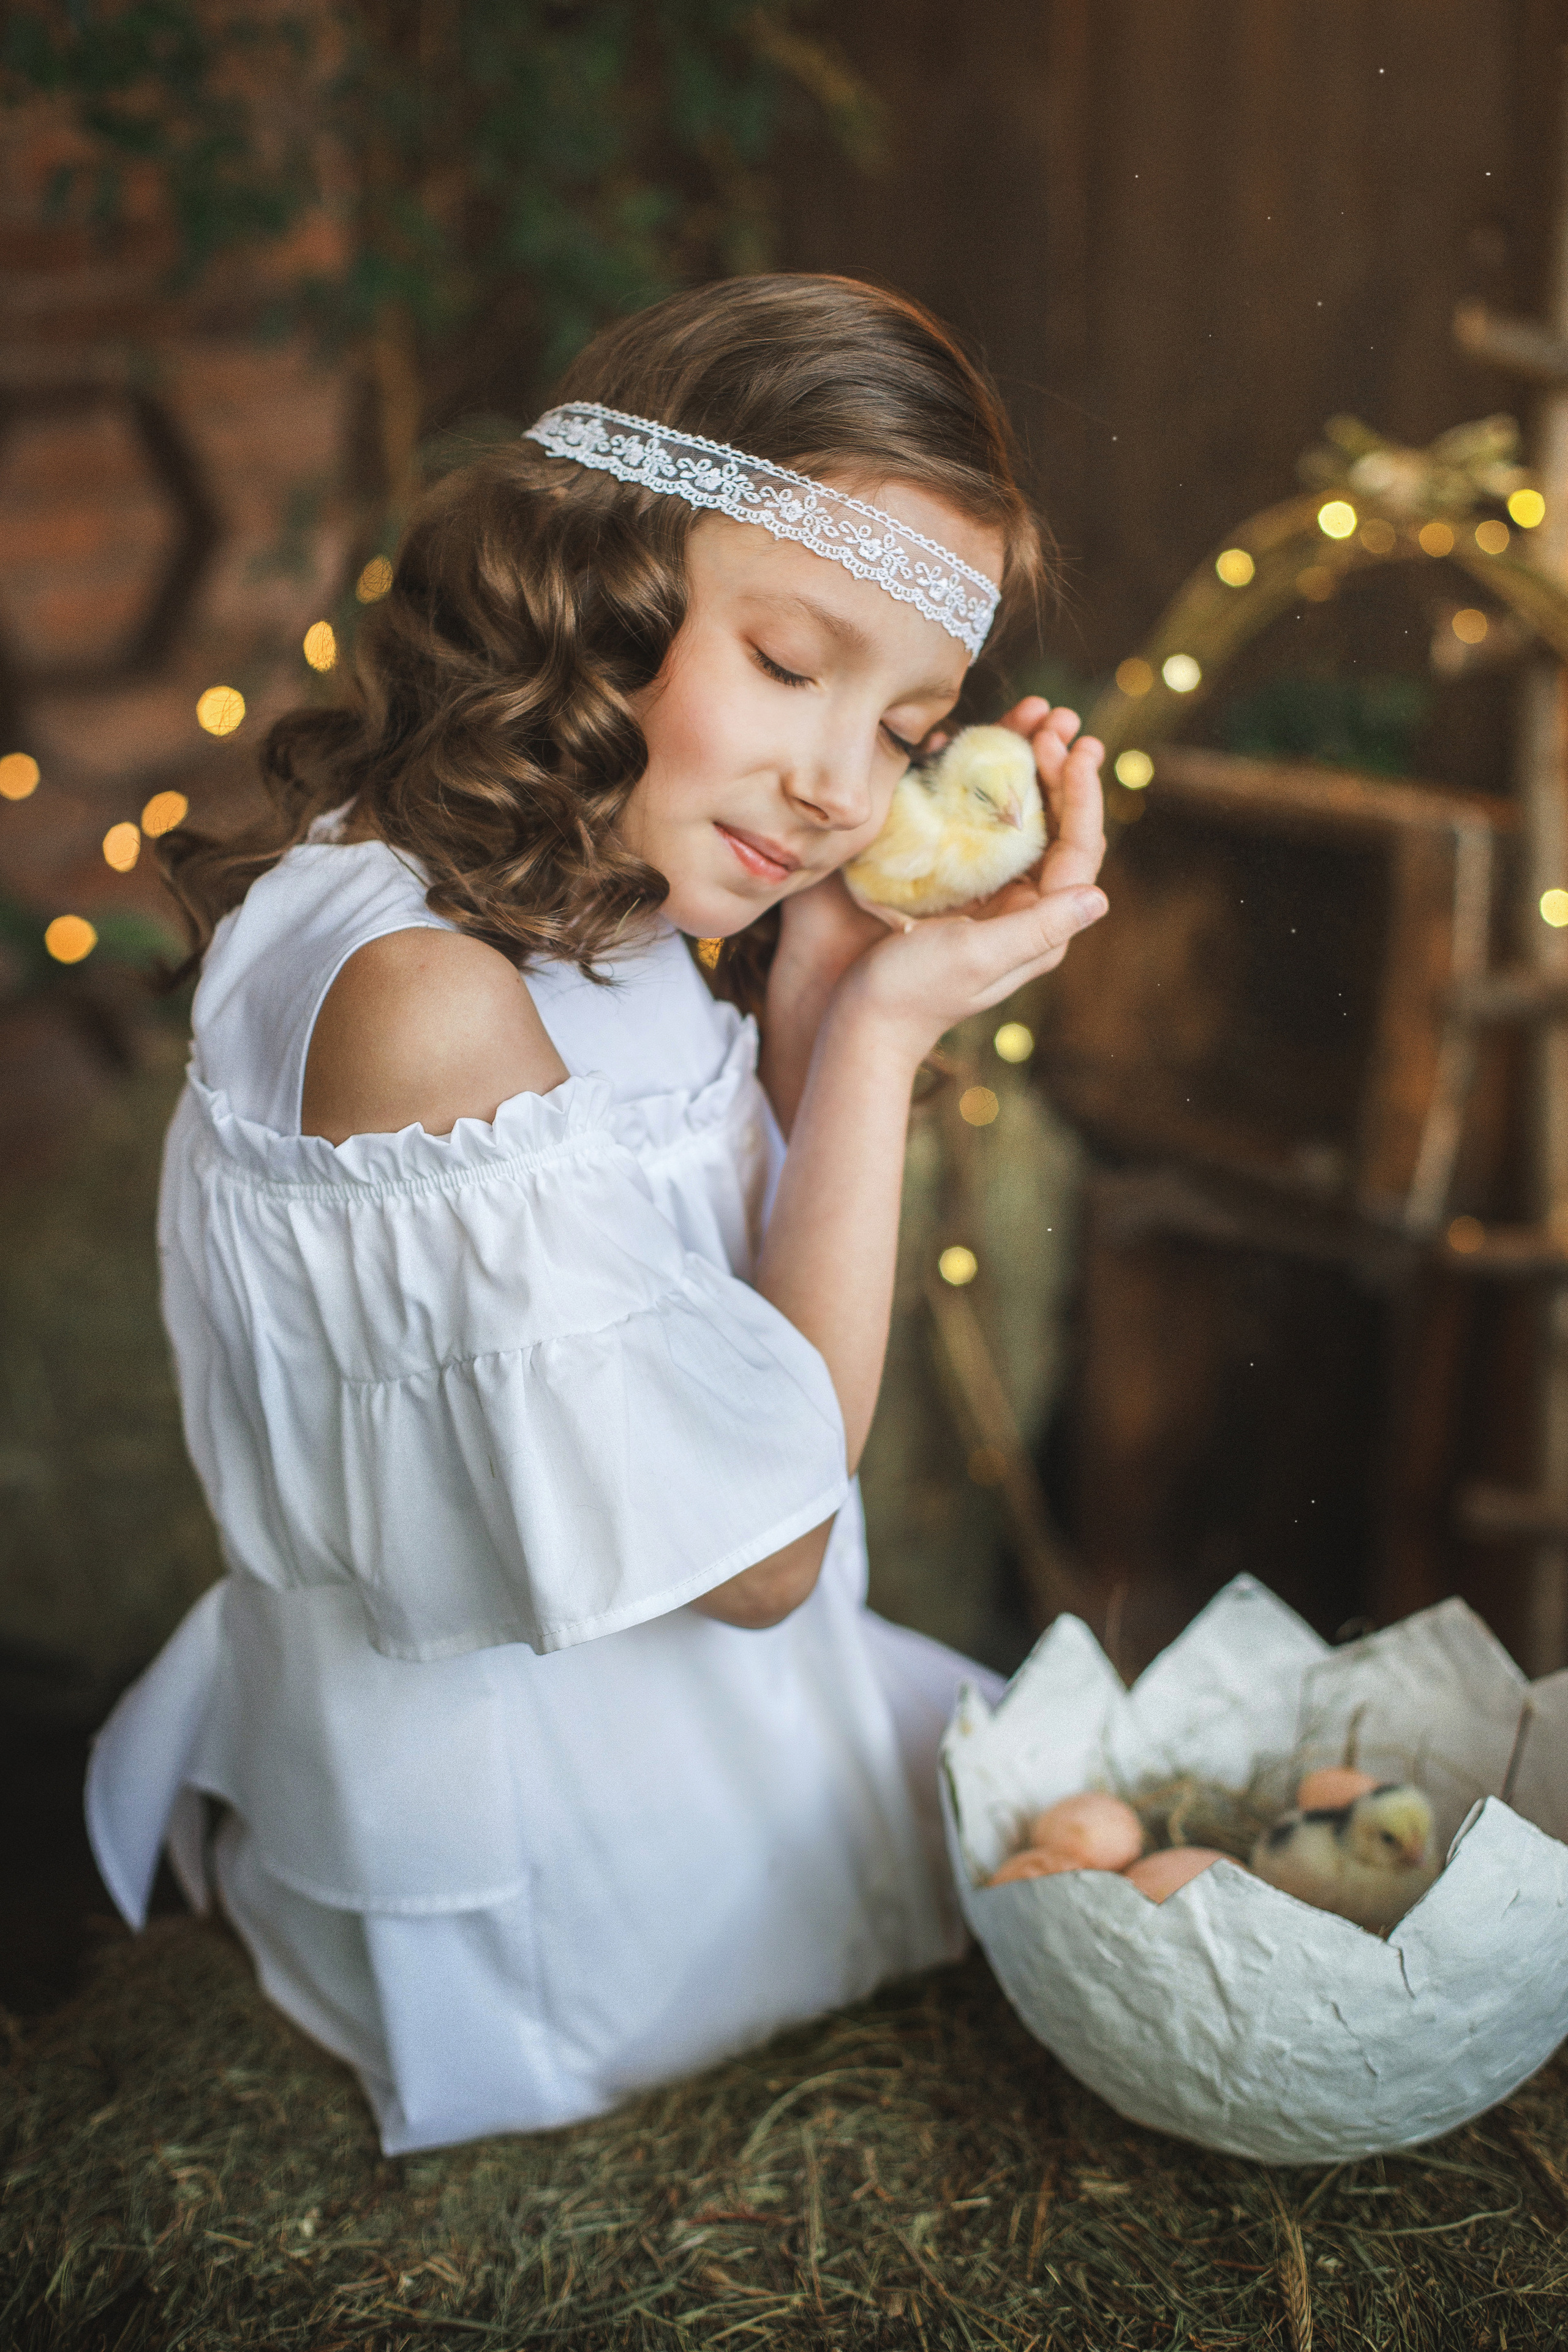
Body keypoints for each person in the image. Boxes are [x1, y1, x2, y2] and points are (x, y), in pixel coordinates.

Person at [86, 274, 1107, 2154]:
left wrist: (820, 984)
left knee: (1113, 1825)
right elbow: (764, 1551)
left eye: (908, 726)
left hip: (714, 1723)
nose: (833, 787)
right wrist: (881, 1044)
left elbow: (722, 1315)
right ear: (605, 577)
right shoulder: (420, 999)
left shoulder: (596, 898)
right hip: (557, 1863)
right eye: (793, 665)